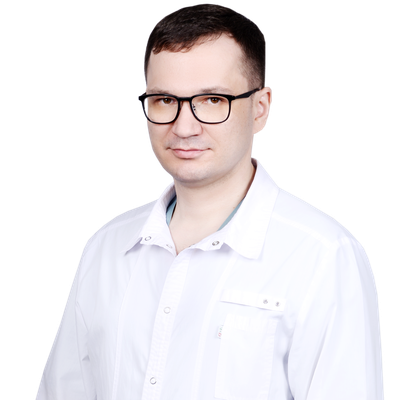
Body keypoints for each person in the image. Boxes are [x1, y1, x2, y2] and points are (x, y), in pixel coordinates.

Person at [36, 4, 384, 400]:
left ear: (261, 108)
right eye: (165, 100)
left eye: (213, 100)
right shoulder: (105, 248)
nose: (184, 127)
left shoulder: (323, 257)